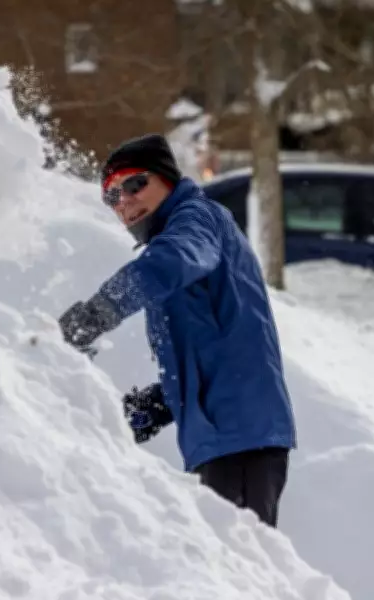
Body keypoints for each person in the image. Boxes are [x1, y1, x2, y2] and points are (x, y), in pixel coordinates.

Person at [58, 133, 296, 528]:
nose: (125, 200)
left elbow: (175, 260)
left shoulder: (196, 221)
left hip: (243, 435)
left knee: (240, 576)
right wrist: (157, 405)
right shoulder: (175, 242)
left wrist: (97, 314)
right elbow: (207, 349)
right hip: (221, 435)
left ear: (167, 178)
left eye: (134, 184)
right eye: (111, 196)